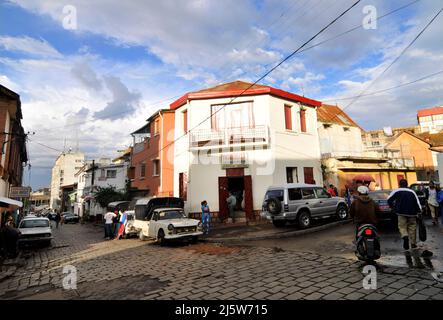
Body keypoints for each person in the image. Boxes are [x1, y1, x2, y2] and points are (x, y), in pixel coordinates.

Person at [388, 179, 422, 251]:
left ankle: (405, 236)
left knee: (402, 227)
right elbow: (417, 202)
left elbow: (389, 200)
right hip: (412, 213)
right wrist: (419, 211)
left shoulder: (396, 191)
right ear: (407, 184)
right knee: (412, 227)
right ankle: (413, 243)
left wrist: (393, 208)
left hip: (400, 213)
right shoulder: (412, 192)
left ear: (399, 184)